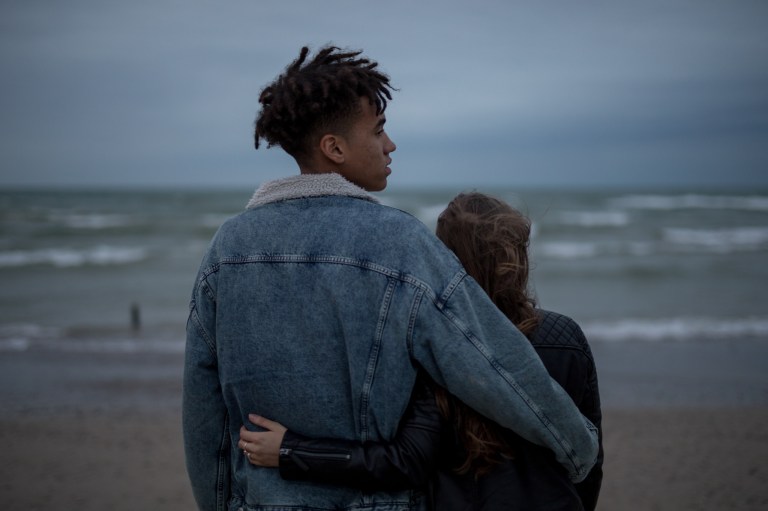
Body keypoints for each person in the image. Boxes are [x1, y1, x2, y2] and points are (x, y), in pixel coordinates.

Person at [182, 45, 598, 511]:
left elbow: (205, 409)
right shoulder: (399, 241)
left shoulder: (227, 248)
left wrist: (219, 502)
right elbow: (490, 361)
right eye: (378, 130)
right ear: (334, 148)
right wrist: (577, 446)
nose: (390, 144)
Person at [238, 193, 604, 510]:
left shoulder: (432, 340)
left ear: (446, 259)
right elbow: (590, 460)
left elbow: (404, 461)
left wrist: (292, 451)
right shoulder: (565, 337)